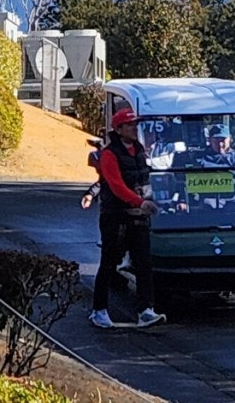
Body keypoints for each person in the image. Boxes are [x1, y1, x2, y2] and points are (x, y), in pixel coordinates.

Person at [88, 108, 166, 329]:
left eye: (135, 124)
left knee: (144, 263)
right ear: (119, 129)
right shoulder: (110, 154)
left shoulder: (139, 151)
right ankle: (99, 311)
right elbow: (116, 186)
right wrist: (140, 203)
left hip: (138, 217)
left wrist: (150, 201)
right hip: (115, 217)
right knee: (109, 263)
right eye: (130, 125)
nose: (134, 128)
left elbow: (145, 180)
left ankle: (146, 310)